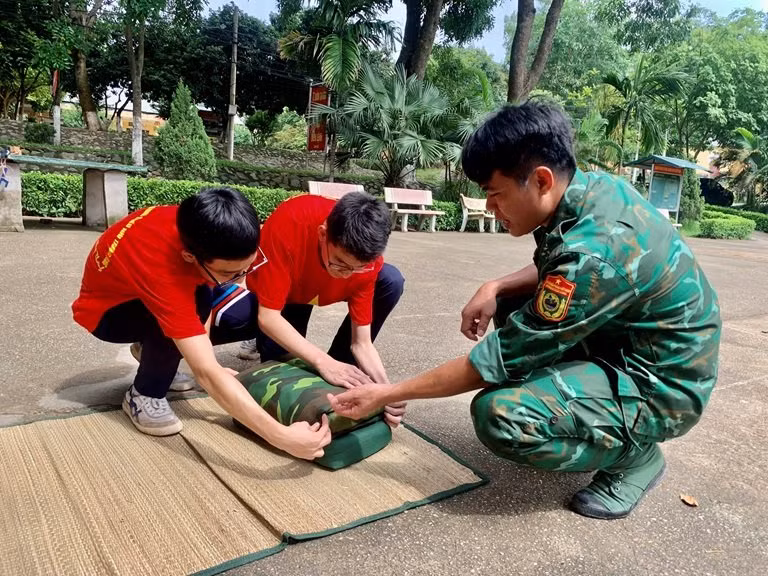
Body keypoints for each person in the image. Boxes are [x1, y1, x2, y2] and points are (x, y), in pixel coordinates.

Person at [328, 102, 722, 519]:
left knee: (499, 414)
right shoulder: (592, 190)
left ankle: (632, 458)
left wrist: (386, 393)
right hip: (632, 345)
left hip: (661, 388)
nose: (491, 207)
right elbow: (560, 264)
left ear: (541, 180)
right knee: (514, 301)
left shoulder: (597, 249)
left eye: (496, 194)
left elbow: (496, 357)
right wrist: (495, 285)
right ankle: (573, 409)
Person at [72, 187, 331, 460]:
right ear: (189, 257)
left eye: (247, 268)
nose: (241, 280)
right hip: (107, 315)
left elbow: (204, 295)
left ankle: (154, 354)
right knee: (192, 311)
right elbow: (205, 372)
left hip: (145, 294)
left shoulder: (202, 227)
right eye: (230, 273)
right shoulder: (162, 267)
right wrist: (282, 437)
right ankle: (143, 394)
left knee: (243, 312)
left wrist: (211, 363)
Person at [211, 191, 407, 427]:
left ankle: (340, 367)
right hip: (286, 295)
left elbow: (361, 342)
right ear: (323, 234)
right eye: (341, 263)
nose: (346, 274)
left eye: (357, 268)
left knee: (391, 279)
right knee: (282, 375)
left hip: (318, 289)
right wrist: (322, 362)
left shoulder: (366, 263)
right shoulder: (290, 223)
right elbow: (269, 316)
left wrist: (386, 391)